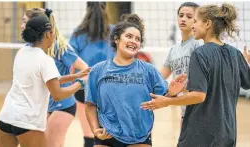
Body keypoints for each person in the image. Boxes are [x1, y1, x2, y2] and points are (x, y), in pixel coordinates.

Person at [141, 3, 250, 147]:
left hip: (201, 134)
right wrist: (245, 62)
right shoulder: (235, 53)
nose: (192, 25)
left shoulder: (200, 53)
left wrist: (166, 101)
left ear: (208, 24)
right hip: (227, 133)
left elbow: (198, 95)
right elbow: (249, 82)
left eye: (195, 21)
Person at [84, 13, 186, 147]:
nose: (134, 41)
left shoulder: (148, 70)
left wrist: (172, 93)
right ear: (116, 39)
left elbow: (163, 98)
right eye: (129, 36)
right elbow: (90, 104)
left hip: (139, 136)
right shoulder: (98, 70)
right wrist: (95, 130)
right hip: (107, 134)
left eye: (138, 39)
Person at [0, 14, 87, 147]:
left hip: (7, 116)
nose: (55, 36)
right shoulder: (46, 60)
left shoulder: (22, 52)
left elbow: (45, 80)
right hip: (27, 121)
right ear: (47, 35)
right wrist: (81, 83)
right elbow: (57, 95)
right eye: (52, 32)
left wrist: (75, 76)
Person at [21, 8, 89, 147]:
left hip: (62, 105)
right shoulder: (29, 48)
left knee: (52, 143)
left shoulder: (59, 47)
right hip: (43, 105)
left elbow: (85, 70)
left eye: (24, 22)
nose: (22, 26)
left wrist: (77, 83)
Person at [69, 2, 115, 146]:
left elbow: (71, 60)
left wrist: (70, 84)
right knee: (107, 133)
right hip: (109, 87)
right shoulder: (114, 32)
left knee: (89, 135)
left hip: (83, 86)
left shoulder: (78, 33)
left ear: (87, 9)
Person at [160, 2, 200, 120]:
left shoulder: (198, 44)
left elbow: (202, 82)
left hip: (201, 111)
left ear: (196, 20)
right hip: (184, 112)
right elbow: (159, 77)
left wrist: (175, 92)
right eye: (181, 15)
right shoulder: (173, 50)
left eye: (189, 16)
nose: (183, 19)